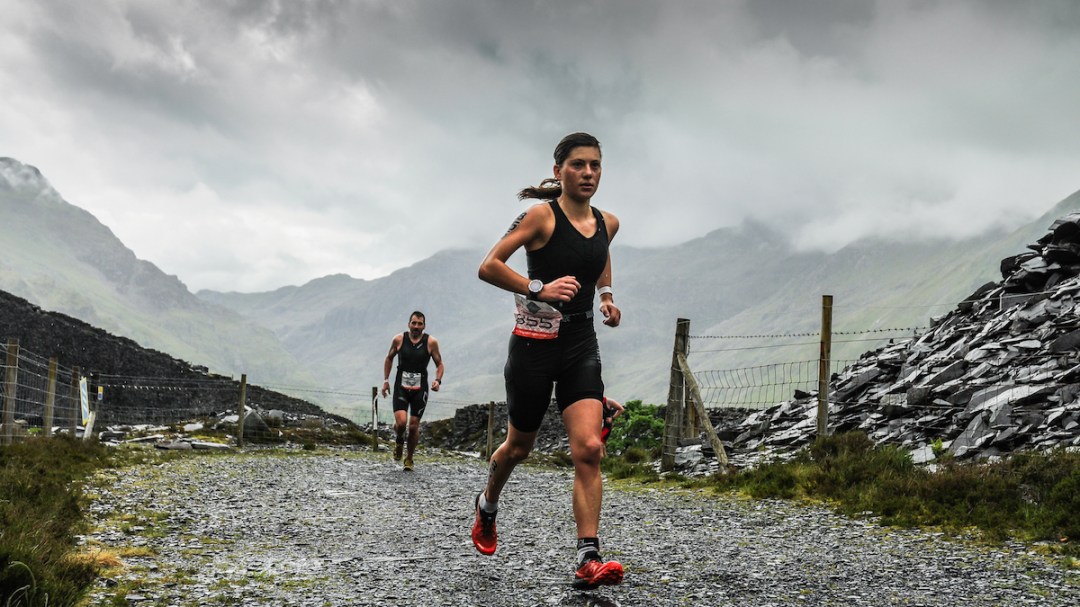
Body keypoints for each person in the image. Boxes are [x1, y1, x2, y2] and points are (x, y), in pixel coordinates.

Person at [471, 132, 626, 589]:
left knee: (590, 449)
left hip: (580, 344)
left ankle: (588, 556)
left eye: (595, 166)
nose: (588, 174)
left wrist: (607, 296)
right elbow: (489, 265)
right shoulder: (540, 216)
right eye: (578, 165)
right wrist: (538, 288)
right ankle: (487, 506)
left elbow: (599, 254)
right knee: (518, 448)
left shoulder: (608, 222)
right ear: (558, 170)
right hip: (533, 346)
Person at [381, 311, 444, 471]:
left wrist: (438, 380)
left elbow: (439, 364)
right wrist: (386, 381)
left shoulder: (431, 342)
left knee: (414, 426)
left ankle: (409, 458)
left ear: (424, 325)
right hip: (401, 387)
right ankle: (399, 439)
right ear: (409, 324)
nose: (416, 327)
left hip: (420, 388)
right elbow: (389, 358)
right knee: (401, 423)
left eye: (420, 324)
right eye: (414, 323)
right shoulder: (399, 340)